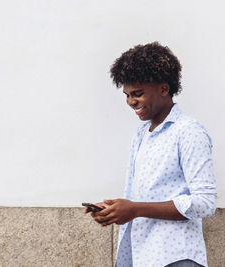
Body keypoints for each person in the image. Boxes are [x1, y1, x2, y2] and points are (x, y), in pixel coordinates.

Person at [84, 42, 217, 267]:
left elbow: (205, 202)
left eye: (138, 93)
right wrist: (116, 209)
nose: (130, 102)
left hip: (175, 256)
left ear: (163, 89)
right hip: (139, 254)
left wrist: (135, 209)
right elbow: (146, 194)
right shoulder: (142, 133)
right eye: (126, 95)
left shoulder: (188, 131)